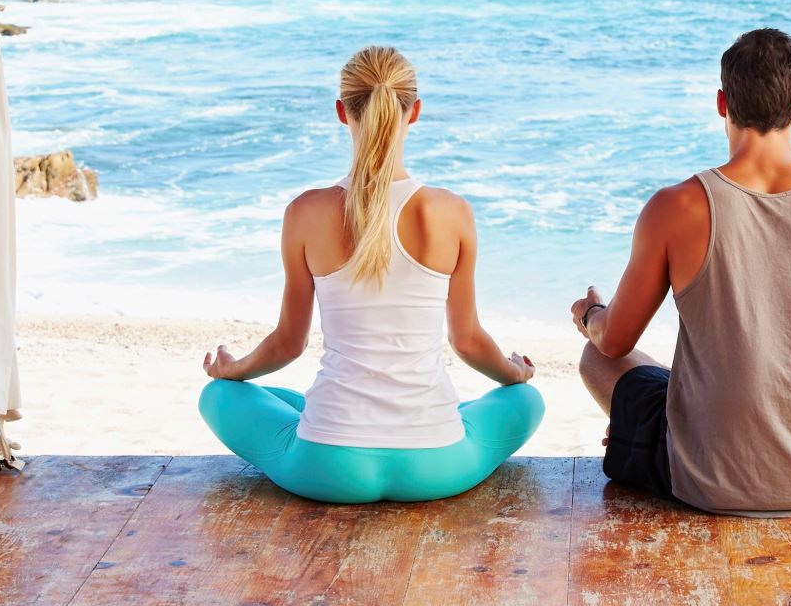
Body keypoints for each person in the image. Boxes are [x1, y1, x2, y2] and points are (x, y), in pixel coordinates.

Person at [573, 27, 791, 516]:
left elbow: (615, 344)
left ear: (721, 102)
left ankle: (653, 436)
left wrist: (591, 314)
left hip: (704, 480)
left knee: (593, 358)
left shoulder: (675, 207)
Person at [199, 45, 544, 503]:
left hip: (327, 466)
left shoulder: (305, 212)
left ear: (343, 111)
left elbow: (288, 343)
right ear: (414, 111)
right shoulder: (451, 212)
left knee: (220, 396)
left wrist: (232, 369)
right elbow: (468, 342)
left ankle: (327, 416)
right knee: (525, 402)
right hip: (437, 464)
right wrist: (513, 374)